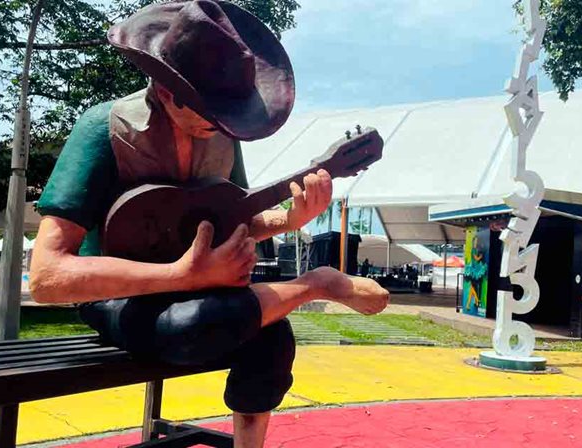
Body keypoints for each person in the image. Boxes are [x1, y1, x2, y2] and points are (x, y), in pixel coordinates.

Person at [28, 2, 389, 447]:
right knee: (192, 326)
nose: (223, 125)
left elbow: (234, 220)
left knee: (272, 336)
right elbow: (46, 278)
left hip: (193, 291)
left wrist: (291, 218)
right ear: (168, 91)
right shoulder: (105, 130)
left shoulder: (221, 138)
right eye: (212, 111)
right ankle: (316, 284)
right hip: (115, 295)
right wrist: (181, 276)